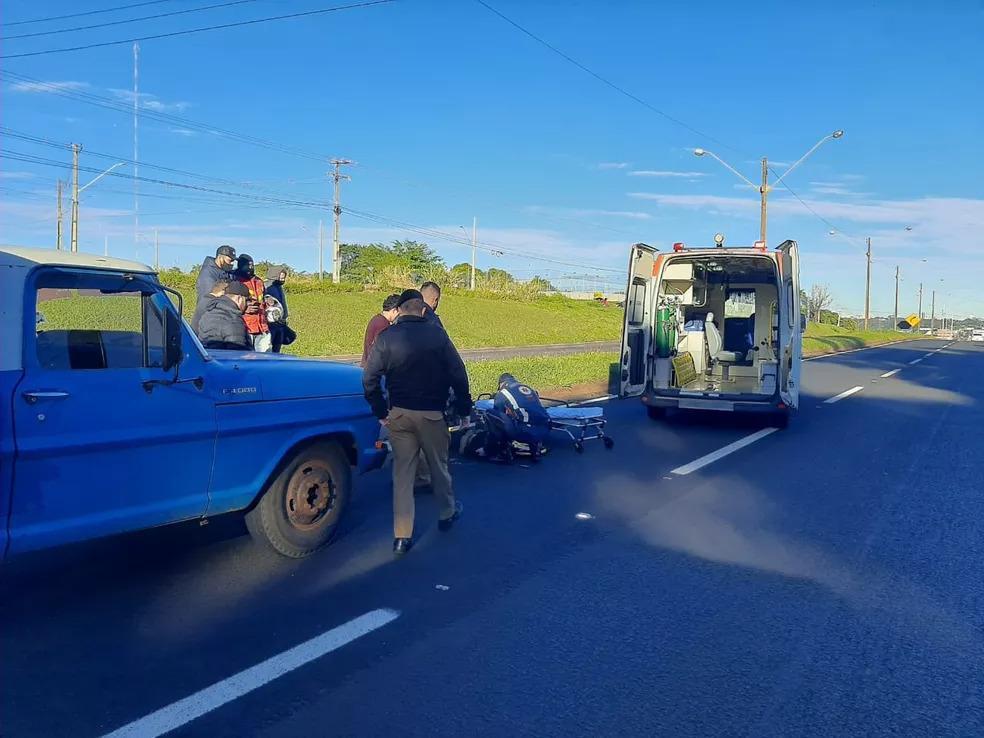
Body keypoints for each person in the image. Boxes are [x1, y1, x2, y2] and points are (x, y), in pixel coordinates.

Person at [363, 289, 472, 556]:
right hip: (432, 414)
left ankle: (402, 536)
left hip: (398, 414)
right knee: (439, 466)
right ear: (423, 310)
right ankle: (447, 512)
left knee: (403, 475)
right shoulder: (438, 336)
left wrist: (379, 409)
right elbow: (458, 373)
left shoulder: (387, 338)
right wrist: (463, 407)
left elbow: (369, 378)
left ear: (399, 311)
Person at [489, 373, 551, 456]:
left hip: (524, 431)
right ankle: (534, 443)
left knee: (491, 414)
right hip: (545, 428)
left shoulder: (503, 392)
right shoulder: (529, 388)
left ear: (501, 384)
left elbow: (499, 413)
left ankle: (503, 450)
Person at [197, 281, 251, 350]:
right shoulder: (233, 320)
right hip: (226, 360)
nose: (247, 304)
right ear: (239, 299)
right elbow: (237, 353)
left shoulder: (208, 313)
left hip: (210, 358)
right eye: (246, 300)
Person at [233, 254, 272, 353]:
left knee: (265, 360)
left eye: (252, 265)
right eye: (247, 265)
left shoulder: (258, 281)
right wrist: (244, 309)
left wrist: (269, 302)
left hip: (262, 327)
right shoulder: (235, 281)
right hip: (246, 328)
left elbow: (263, 298)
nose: (250, 268)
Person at [361, 294, 401, 367]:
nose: (399, 317)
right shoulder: (382, 324)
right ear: (394, 310)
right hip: (374, 370)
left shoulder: (377, 319)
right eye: (399, 314)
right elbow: (381, 350)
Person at [264, 265, 291, 353]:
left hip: (280, 322)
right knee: (270, 346)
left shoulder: (279, 287)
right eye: (281, 277)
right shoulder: (267, 286)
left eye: (284, 278)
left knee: (277, 346)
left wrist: (284, 317)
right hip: (271, 323)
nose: (283, 280)